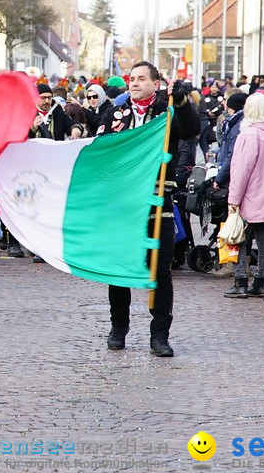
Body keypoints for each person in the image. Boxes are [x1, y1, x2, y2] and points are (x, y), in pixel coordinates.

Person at [98, 61, 199, 357]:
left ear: (156, 83)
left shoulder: (166, 111)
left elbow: (191, 129)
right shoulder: (117, 112)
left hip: (158, 201)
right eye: (132, 79)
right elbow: (103, 149)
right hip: (124, 204)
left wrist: (181, 101)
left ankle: (159, 334)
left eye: (142, 79)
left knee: (160, 269)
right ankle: (119, 327)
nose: (134, 83)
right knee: (119, 269)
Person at [223, 94, 264, 299]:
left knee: (240, 238)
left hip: (250, 194)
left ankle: (240, 280)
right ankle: (261, 281)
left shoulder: (250, 134)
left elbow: (242, 169)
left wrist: (234, 198)